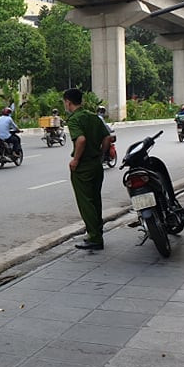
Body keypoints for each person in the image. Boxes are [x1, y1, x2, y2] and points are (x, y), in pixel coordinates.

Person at [63, 88, 113, 250]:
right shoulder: (94, 117)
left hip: (83, 166)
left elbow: (81, 140)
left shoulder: (74, 119)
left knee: (86, 203)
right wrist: (102, 154)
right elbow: (107, 137)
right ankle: (97, 232)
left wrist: (75, 160)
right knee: (95, 200)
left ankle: (95, 238)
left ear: (68, 102)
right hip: (96, 164)